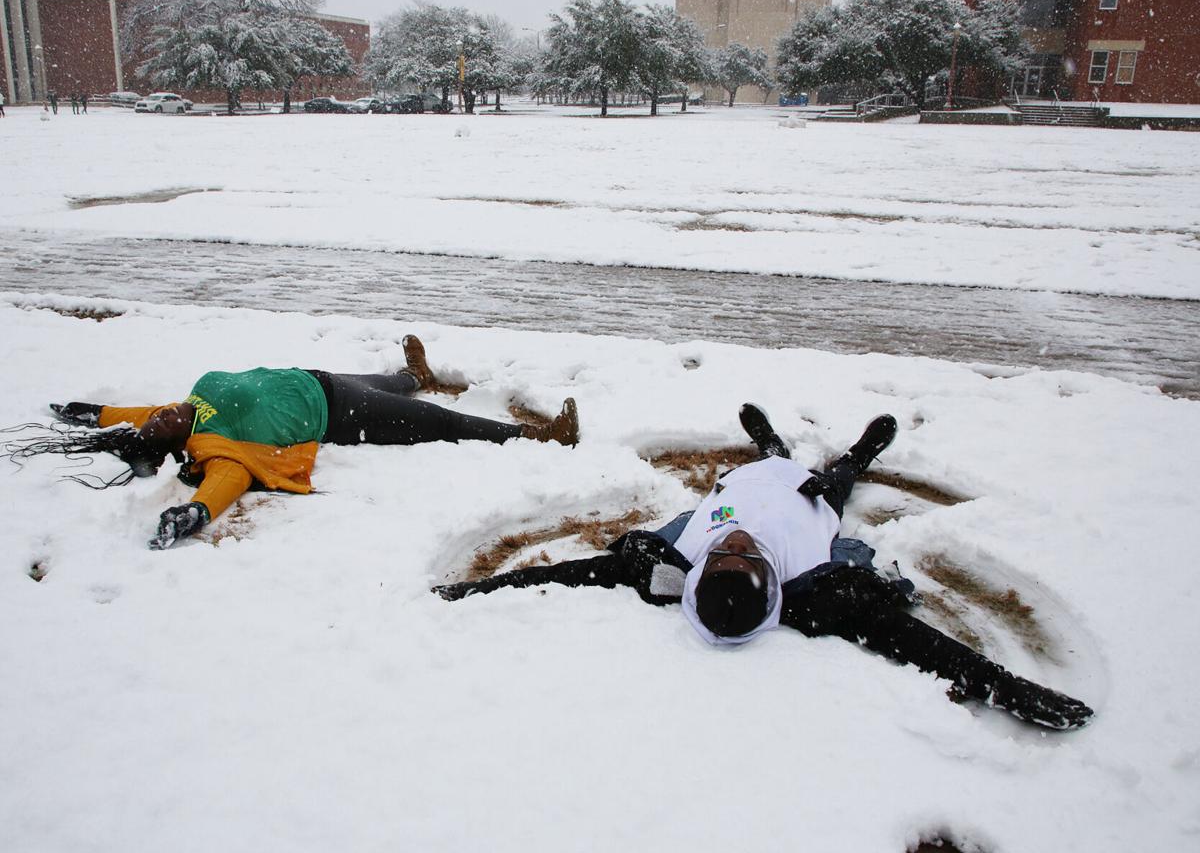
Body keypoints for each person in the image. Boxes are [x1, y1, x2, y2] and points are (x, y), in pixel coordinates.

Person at [434, 405, 1093, 731]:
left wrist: (481, 587)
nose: (741, 543)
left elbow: (572, 572)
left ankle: (770, 448)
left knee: (661, 535)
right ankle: (859, 453)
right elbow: (913, 643)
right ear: (771, 580)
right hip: (804, 509)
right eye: (744, 555)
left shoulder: (675, 564)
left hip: (735, 488)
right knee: (837, 490)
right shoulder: (810, 593)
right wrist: (1007, 686)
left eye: (728, 552)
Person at [30, 336, 579, 550]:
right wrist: (194, 514)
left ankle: (417, 371)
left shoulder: (188, 405)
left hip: (318, 377)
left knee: (397, 385)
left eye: (159, 416)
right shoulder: (214, 449)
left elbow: (123, 414)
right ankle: (543, 436)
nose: (165, 413)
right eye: (161, 426)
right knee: (437, 420)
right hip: (336, 414)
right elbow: (225, 484)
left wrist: (85, 414)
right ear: (172, 442)